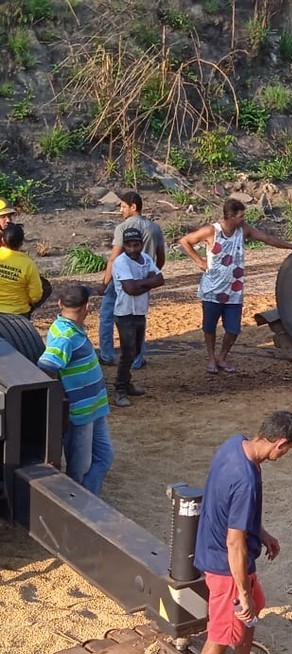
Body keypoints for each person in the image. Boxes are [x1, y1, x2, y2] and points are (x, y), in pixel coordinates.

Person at [182, 411, 292, 654]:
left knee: (253, 611)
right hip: (226, 567)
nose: (285, 455)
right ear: (280, 443)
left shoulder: (234, 445)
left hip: (228, 556)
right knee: (221, 634)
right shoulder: (247, 480)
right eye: (288, 450)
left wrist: (261, 533)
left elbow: (227, 508)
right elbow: (234, 543)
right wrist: (242, 591)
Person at [177, 199, 292, 374]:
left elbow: (266, 238)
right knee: (209, 327)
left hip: (234, 291)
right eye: (241, 216)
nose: (244, 218)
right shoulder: (211, 231)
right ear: (230, 216)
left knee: (233, 329)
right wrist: (199, 261)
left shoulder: (243, 229)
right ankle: (211, 358)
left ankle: (222, 357)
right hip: (212, 290)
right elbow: (185, 241)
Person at [37, 285, 113, 496]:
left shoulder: (65, 328)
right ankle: (81, 503)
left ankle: (88, 498)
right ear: (88, 307)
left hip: (94, 409)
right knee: (79, 469)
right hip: (80, 415)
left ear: (60, 304)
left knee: (104, 457)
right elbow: (46, 366)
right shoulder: (66, 337)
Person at [99, 192, 166, 368]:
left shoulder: (123, 228)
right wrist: (151, 275)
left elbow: (114, 258)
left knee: (107, 316)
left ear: (133, 207)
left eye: (123, 206)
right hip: (144, 279)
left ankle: (107, 355)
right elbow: (161, 257)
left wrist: (105, 283)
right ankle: (137, 359)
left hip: (123, 278)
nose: (121, 210)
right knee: (139, 318)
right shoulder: (154, 228)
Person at [111, 227, 164, 407]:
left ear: (142, 244)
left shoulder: (146, 258)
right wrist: (149, 283)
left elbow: (160, 279)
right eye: (129, 245)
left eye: (136, 245)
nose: (133, 249)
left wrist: (140, 284)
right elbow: (130, 289)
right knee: (128, 352)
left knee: (134, 351)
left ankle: (126, 384)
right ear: (124, 245)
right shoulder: (120, 262)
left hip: (140, 311)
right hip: (125, 313)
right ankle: (119, 389)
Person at [0, 223, 49, 316]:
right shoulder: (28, 264)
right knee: (46, 286)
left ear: (2, 240)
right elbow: (36, 295)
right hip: (18, 313)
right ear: (21, 243)